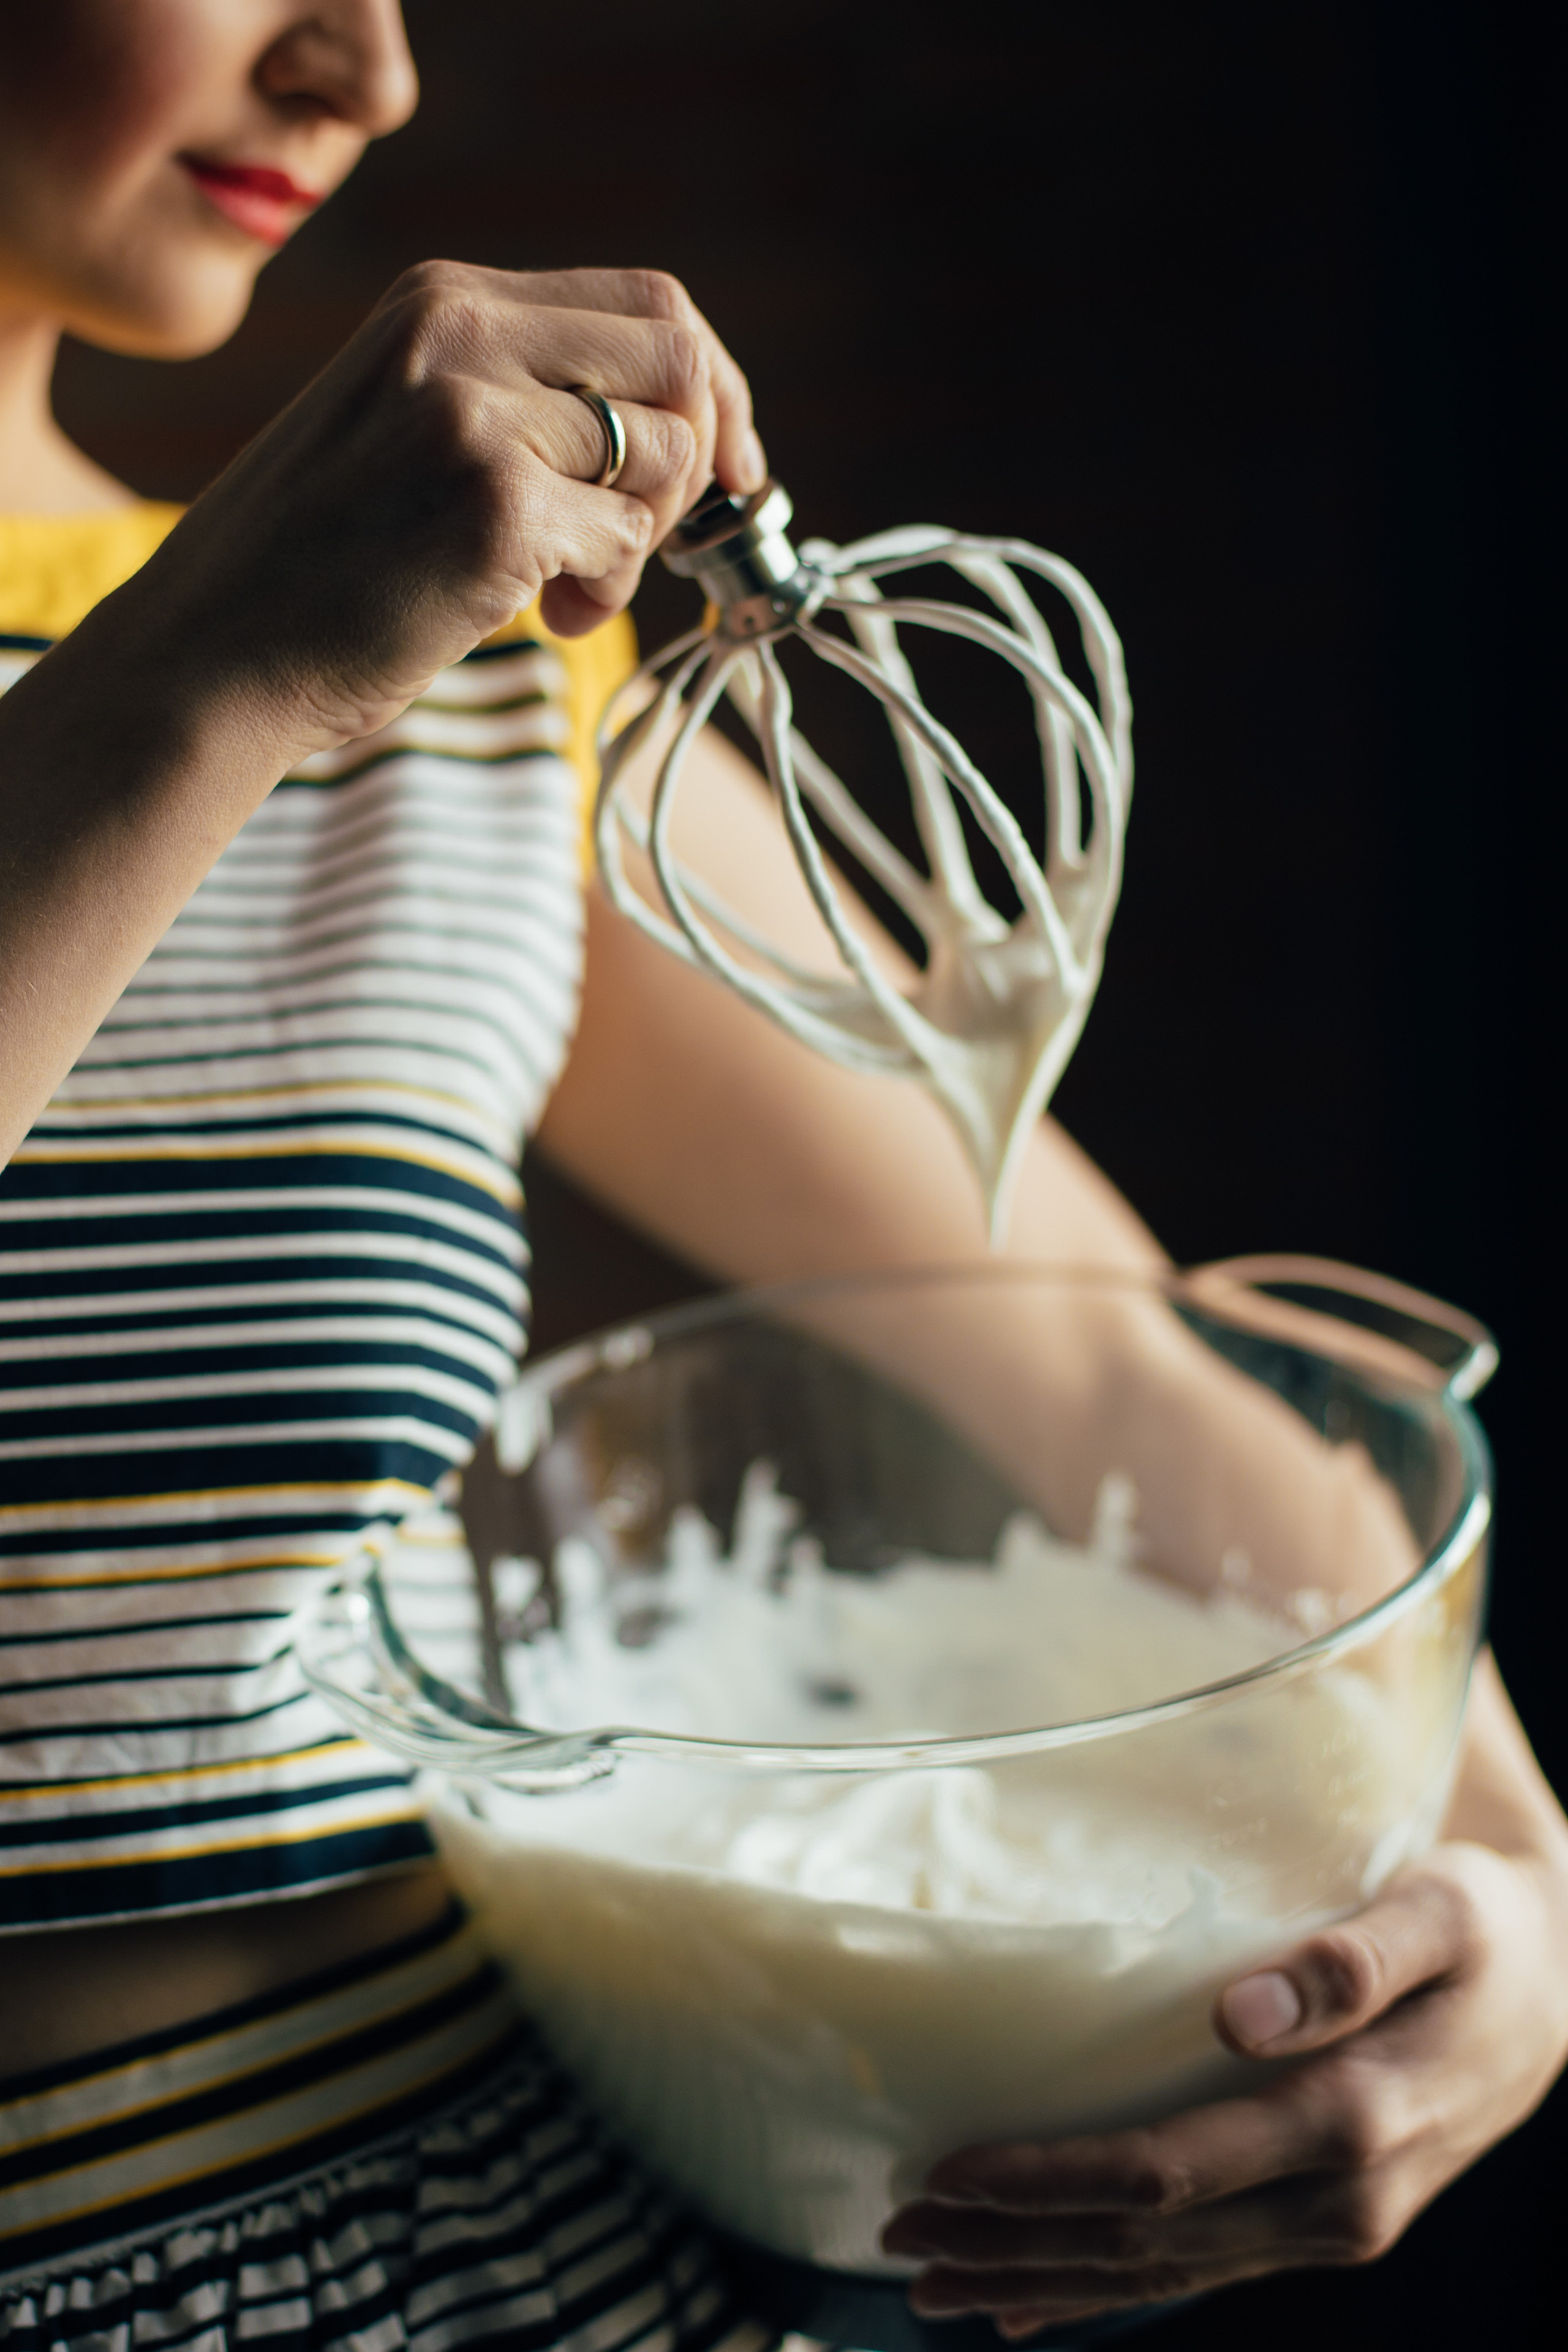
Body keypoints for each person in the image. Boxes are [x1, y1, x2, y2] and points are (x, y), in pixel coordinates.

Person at [0, 3, 1564, 2345]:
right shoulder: (279, 651)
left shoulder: (458, 708)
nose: (364, 67)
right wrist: (190, 677)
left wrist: (1515, 1893)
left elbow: (1122, 1383)